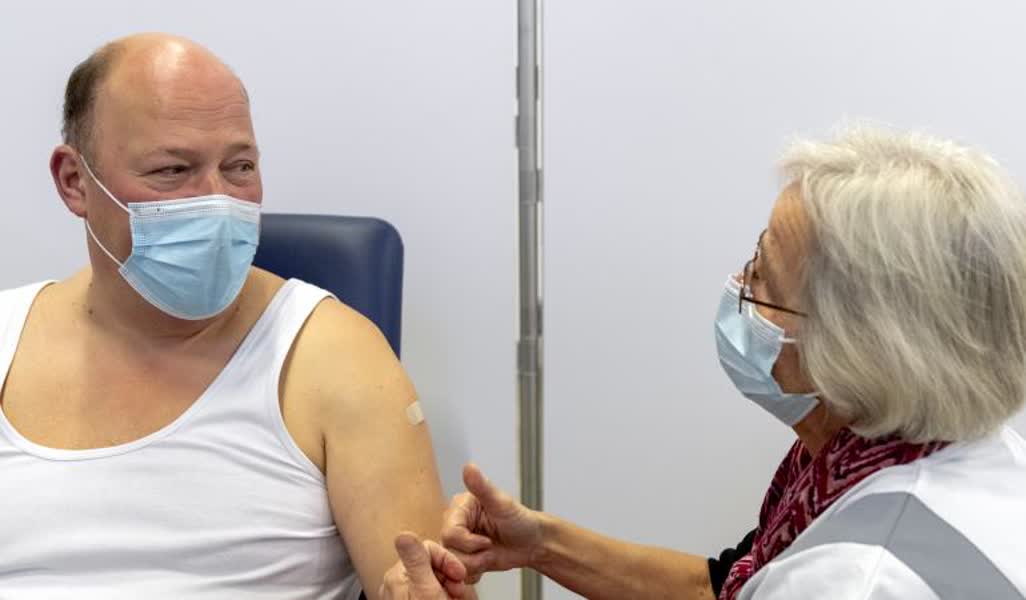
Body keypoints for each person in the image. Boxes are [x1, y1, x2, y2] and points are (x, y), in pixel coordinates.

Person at [441, 127, 1026, 599]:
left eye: (762, 276)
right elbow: (722, 588)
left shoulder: (853, 580)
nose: (739, 286)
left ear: (855, 349)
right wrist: (540, 544)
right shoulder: (942, 447)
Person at [0, 33, 450, 600]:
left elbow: (419, 585)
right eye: (172, 170)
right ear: (74, 182)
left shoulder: (334, 358)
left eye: (239, 167)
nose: (216, 201)